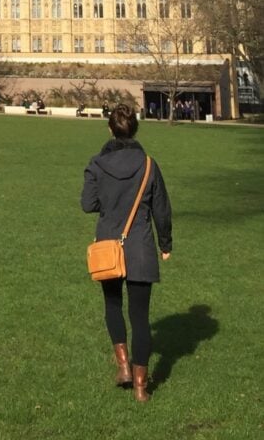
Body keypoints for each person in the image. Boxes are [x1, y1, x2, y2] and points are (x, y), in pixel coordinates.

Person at [81, 103, 173, 402]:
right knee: (140, 317)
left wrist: (109, 203)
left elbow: (87, 203)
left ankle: (123, 365)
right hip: (141, 246)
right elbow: (161, 209)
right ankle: (141, 387)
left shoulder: (96, 164)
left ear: (110, 129)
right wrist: (166, 244)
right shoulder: (149, 164)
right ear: (135, 130)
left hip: (109, 243)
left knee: (112, 305)